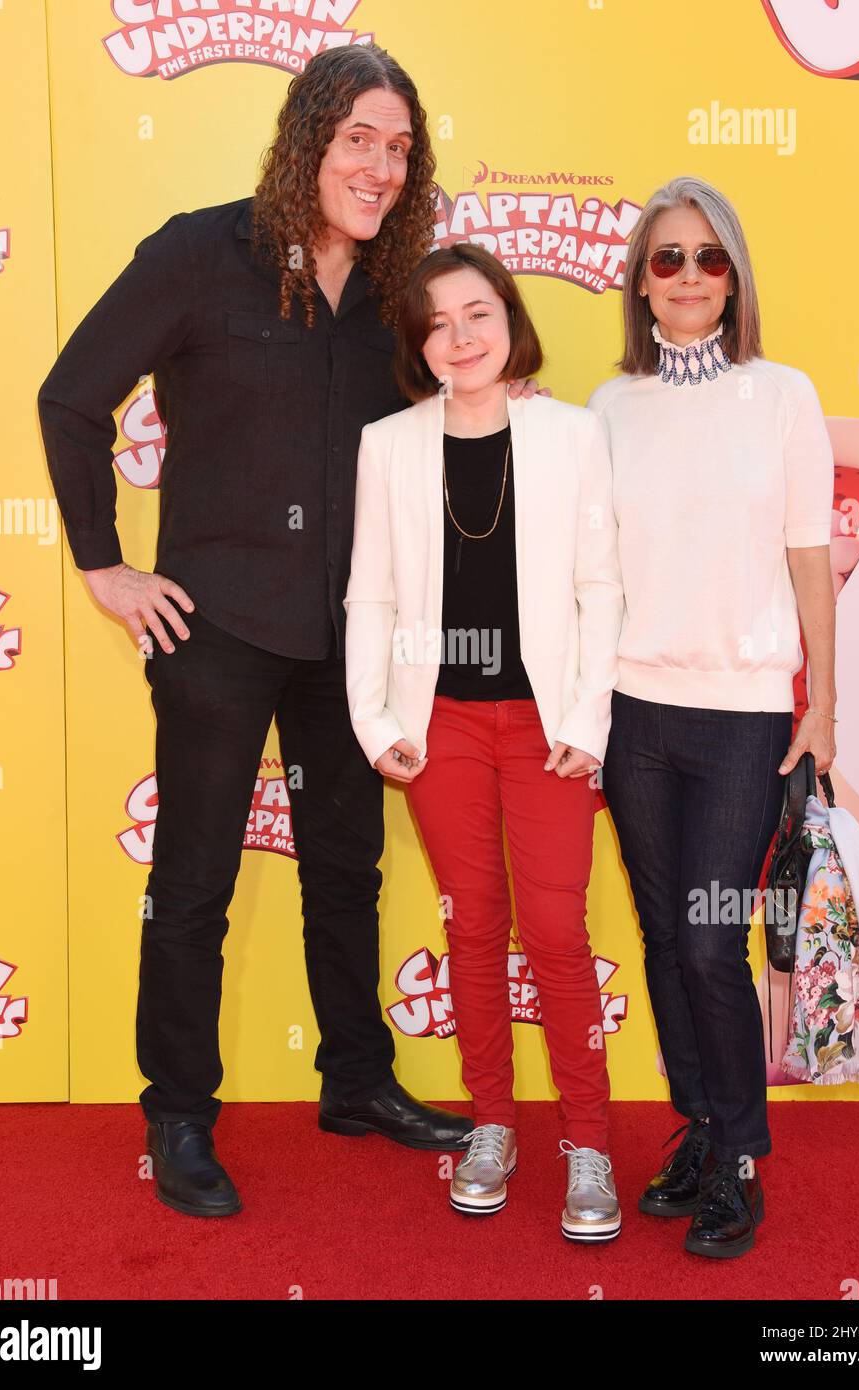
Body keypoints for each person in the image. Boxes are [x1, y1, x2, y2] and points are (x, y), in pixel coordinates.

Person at [37, 44, 543, 1220]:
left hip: (347, 634)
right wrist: (104, 564)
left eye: (399, 147)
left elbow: (448, 431)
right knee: (195, 880)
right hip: (213, 631)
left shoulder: (396, 289)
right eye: (358, 136)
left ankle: (355, 1082)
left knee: (346, 872)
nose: (377, 164)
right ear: (309, 135)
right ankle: (177, 1113)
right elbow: (71, 397)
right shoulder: (195, 253)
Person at [343, 243, 624, 1241]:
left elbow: (599, 588)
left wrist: (586, 722)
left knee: (554, 933)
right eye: (436, 323)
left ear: (508, 319)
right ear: (417, 343)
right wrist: (378, 722)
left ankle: (586, 1141)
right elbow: (371, 590)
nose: (459, 337)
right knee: (470, 927)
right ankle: (492, 1125)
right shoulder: (388, 444)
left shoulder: (572, 435)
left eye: (476, 315)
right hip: (441, 728)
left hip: (547, 730)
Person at [587, 175, 836, 1258]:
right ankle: (697, 1127)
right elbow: (590, 573)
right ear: (640, 280)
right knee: (659, 937)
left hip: (739, 717)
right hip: (631, 715)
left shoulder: (781, 395)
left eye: (708, 258)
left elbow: (808, 561)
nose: (687, 277)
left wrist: (821, 701)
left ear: (733, 277)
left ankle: (737, 1155)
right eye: (666, 258)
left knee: (703, 940)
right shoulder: (609, 406)